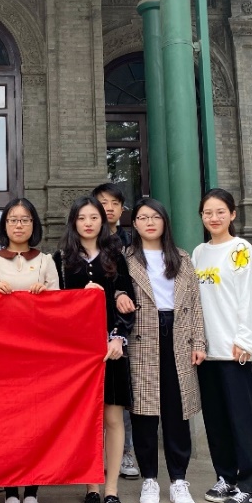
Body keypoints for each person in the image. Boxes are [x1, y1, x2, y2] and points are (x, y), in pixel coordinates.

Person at [52, 196, 136, 503]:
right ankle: (91, 486)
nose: (88, 223)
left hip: (110, 349)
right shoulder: (61, 259)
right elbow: (54, 306)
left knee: (112, 419)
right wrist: (80, 298)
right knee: (88, 421)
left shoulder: (116, 256)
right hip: (77, 354)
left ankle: (111, 490)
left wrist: (118, 338)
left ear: (103, 221)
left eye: (94, 217)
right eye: (82, 218)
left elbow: (127, 303)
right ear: (73, 222)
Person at [0, 198, 58, 503]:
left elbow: (60, 310)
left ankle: (33, 493)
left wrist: (45, 296)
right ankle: (11, 493)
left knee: (36, 424)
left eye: (25, 219)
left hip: (37, 355)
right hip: (2, 355)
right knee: (8, 424)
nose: (19, 225)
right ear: (5, 225)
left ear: (33, 224)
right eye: (13, 219)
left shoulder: (47, 261)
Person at [125, 198, 206, 503]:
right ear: (135, 224)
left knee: (177, 409)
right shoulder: (126, 258)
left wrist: (199, 342)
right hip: (142, 337)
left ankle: (178, 480)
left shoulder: (182, 258)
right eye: (143, 217)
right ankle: (149, 478)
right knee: (144, 411)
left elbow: (195, 304)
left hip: (178, 335)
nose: (149, 222)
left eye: (155, 217)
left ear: (164, 221)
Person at [192, 188, 252, 503]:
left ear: (232, 214)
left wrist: (246, 340)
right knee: (216, 421)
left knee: (242, 421)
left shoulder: (241, 250)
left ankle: (251, 487)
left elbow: (251, 297)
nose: (214, 217)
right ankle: (226, 477)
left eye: (220, 211)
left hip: (237, 353)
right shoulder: (199, 253)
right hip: (208, 353)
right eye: (208, 212)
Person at [92, 183, 136, 480]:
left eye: (114, 203)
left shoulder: (130, 242)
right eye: (102, 202)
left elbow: (127, 281)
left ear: (122, 209)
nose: (108, 208)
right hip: (90, 333)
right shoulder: (75, 248)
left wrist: (121, 291)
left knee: (120, 398)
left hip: (123, 325)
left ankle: (126, 453)